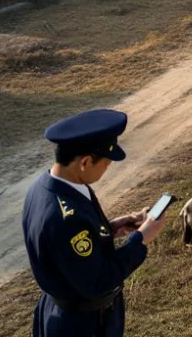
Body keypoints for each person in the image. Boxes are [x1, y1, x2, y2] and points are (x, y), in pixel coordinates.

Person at [23, 109, 167, 337]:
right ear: (85, 162)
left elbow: (66, 249)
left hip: (69, 313)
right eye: (106, 164)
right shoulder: (65, 217)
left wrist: (109, 229)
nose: (107, 169)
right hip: (80, 325)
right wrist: (140, 239)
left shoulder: (45, 186)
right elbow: (97, 281)